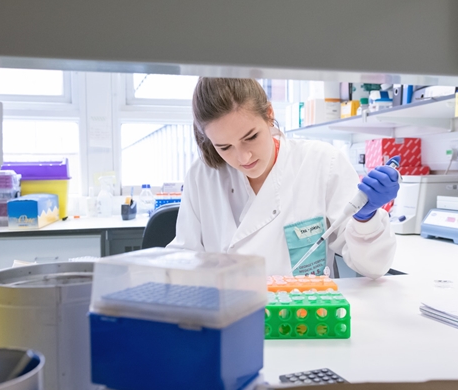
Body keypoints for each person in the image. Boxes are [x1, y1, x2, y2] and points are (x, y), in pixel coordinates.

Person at [170, 78, 399, 279]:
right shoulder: (203, 176)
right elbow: (186, 258)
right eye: (224, 147)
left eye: (250, 137)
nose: (243, 157)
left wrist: (366, 219)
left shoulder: (321, 162)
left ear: (269, 115)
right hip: (229, 315)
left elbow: (373, 267)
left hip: (304, 318)